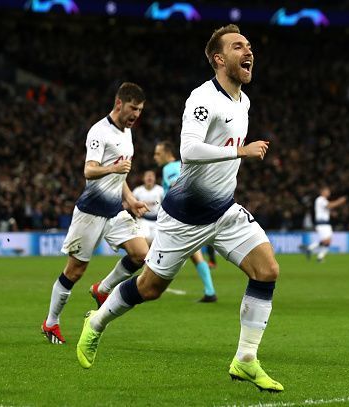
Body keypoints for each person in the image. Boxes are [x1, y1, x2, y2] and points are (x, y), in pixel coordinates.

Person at [76, 24, 284, 392]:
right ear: (220, 59)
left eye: (249, 45)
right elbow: (189, 150)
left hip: (223, 212)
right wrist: (241, 150)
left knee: (267, 270)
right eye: (238, 46)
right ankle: (96, 322)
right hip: (184, 218)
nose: (248, 51)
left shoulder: (243, 101)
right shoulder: (203, 99)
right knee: (150, 288)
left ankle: (246, 359)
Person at [41, 82, 150, 344]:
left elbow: (121, 172)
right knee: (74, 271)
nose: (136, 115)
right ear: (119, 104)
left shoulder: (127, 132)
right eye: (133, 109)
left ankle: (102, 289)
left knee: (141, 255)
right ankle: (51, 323)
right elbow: (89, 170)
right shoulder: (99, 132)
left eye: (140, 110)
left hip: (115, 210)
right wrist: (112, 169)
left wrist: (131, 199)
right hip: (90, 212)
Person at [153, 140, 217, 302]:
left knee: (156, 255)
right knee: (196, 256)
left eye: (158, 153)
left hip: (178, 219)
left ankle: (144, 287)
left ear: (167, 153)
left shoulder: (170, 168)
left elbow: (178, 186)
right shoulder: (180, 165)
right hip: (187, 217)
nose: (155, 157)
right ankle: (210, 292)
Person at [300, 186, 346, 262]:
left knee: (328, 241)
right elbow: (330, 205)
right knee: (326, 240)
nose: (329, 193)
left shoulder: (323, 200)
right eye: (327, 191)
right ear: (322, 192)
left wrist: (332, 213)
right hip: (322, 223)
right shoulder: (320, 199)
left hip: (325, 223)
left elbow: (326, 208)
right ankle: (312, 251)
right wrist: (340, 201)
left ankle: (317, 255)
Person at [131, 170, 164, 245]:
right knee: (144, 242)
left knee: (156, 243)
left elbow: (164, 203)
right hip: (143, 219)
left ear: (155, 178)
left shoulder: (160, 190)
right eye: (147, 176)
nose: (149, 177)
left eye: (151, 176)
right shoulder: (137, 191)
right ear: (143, 178)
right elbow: (131, 205)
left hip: (157, 220)